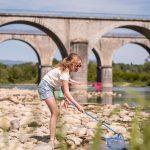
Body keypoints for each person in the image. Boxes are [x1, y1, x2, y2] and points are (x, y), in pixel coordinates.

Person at [37, 53, 84, 148]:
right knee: (55, 112)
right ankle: (52, 140)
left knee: (57, 110)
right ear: (71, 64)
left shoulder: (66, 71)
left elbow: (63, 85)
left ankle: (52, 138)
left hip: (51, 87)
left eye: (80, 65)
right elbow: (66, 91)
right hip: (45, 87)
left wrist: (65, 98)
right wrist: (77, 105)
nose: (79, 67)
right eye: (77, 65)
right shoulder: (64, 73)